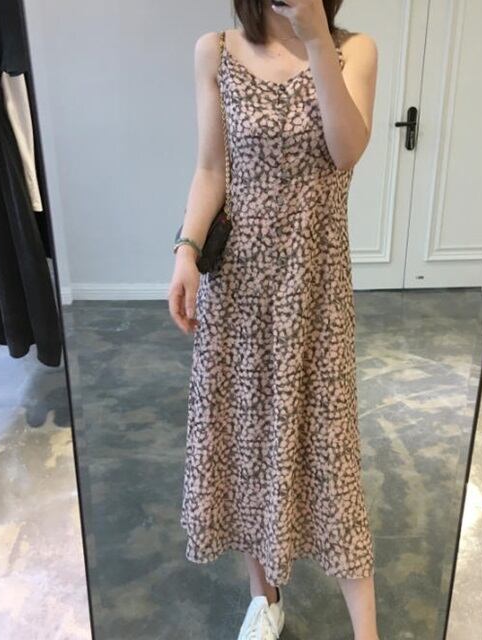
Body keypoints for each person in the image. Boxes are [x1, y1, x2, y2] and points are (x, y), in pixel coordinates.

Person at [169, 1, 379, 638]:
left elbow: (346, 152)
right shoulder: (215, 51)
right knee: (247, 443)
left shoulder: (353, 51)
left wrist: (315, 40)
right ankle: (266, 600)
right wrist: (186, 251)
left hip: (314, 291)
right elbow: (212, 169)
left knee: (331, 453)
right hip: (238, 289)